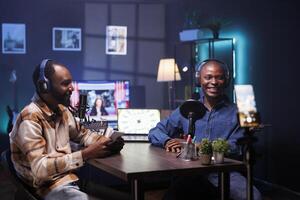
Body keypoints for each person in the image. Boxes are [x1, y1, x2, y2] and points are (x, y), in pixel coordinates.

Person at [9, 59, 125, 200]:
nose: (72, 88)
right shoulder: (30, 118)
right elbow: (40, 169)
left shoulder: (62, 111)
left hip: (69, 180)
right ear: (44, 86)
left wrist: (106, 142)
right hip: (47, 189)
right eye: (65, 84)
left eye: (71, 83)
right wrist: (85, 154)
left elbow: (83, 134)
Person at [148, 59, 262, 200]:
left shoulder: (240, 111)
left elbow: (236, 148)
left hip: (224, 172)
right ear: (199, 80)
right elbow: (155, 132)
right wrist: (166, 141)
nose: (213, 82)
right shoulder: (187, 108)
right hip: (190, 171)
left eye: (219, 77)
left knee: (253, 197)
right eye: (208, 77)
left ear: (226, 81)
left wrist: (200, 146)